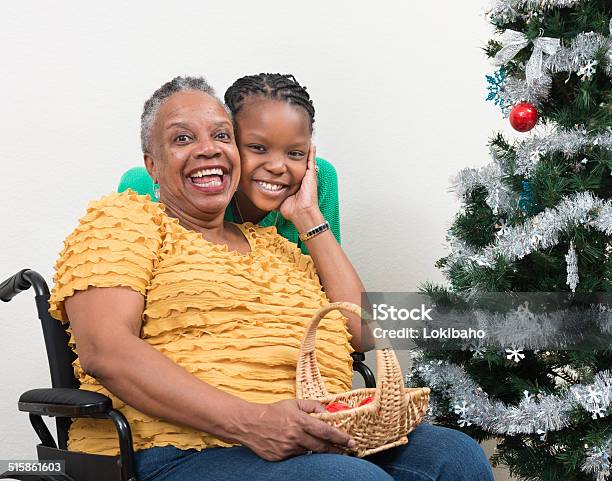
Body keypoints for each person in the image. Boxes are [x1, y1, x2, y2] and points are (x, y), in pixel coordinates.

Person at [49, 76, 494, 481]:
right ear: (152, 165)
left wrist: (307, 215)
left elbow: (364, 330)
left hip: (311, 437)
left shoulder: (276, 247)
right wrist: (252, 421)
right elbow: (106, 350)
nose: (207, 149)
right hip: (173, 449)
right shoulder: (125, 219)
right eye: (183, 138)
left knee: (455, 457)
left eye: (221, 136)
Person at [118, 73, 339, 254]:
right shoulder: (143, 187)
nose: (277, 166)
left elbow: (352, 306)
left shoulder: (317, 180)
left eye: (295, 153)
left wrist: (308, 215)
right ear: (230, 140)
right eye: (258, 148)